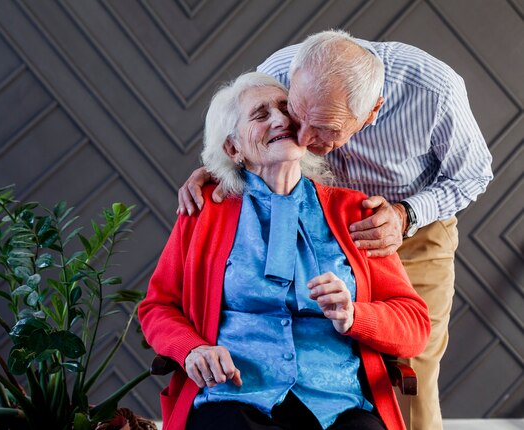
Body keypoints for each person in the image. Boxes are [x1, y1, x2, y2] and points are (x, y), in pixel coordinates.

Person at [176, 30, 493, 429]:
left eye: (324, 127)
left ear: (373, 111)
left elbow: (473, 174)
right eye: (298, 115)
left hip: (411, 224)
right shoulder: (282, 70)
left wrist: (404, 215)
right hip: (301, 206)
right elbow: (244, 126)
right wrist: (217, 167)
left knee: (415, 361)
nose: (303, 139)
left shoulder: (434, 90)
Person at [139, 72, 430, 430]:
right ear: (234, 149)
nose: (279, 119)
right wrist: (191, 348)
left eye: (285, 108)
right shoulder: (205, 212)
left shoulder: (356, 212)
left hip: (337, 402)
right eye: (260, 115)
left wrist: (355, 314)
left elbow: (414, 323)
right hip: (234, 397)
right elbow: (158, 306)